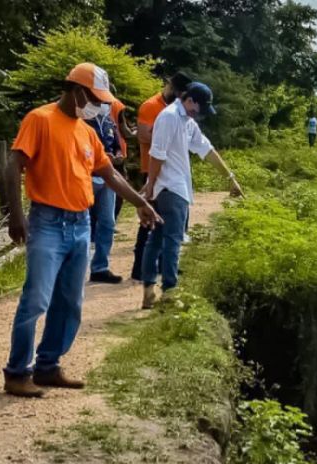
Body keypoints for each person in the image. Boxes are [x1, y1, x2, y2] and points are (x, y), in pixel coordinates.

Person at [2, 63, 161, 398]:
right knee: (37, 300)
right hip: (47, 222)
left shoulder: (86, 131)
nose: (99, 105)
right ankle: (17, 372)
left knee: (70, 301)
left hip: (79, 224)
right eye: (94, 98)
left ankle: (48, 366)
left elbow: (109, 174)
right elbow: (12, 166)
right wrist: (15, 216)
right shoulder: (40, 119)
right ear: (76, 91)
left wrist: (139, 203)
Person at [141, 81, 242, 309]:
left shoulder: (186, 121)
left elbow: (207, 150)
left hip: (170, 188)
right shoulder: (168, 117)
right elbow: (156, 155)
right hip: (169, 189)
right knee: (171, 241)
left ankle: (149, 293)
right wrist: (150, 189)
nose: (199, 114)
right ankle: (169, 293)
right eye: (198, 108)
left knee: (157, 240)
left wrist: (230, 177)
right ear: (189, 100)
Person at [131, 72, 192, 281]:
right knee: (149, 223)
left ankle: (165, 265)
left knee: (167, 224)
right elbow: (142, 134)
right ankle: (139, 268)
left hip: (170, 171)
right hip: (152, 168)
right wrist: (167, 135)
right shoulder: (152, 106)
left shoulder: (177, 111)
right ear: (172, 87)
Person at [85, 102, 124, 284]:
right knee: (80, 223)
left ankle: (100, 267)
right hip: (87, 177)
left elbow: (116, 145)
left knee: (107, 222)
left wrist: (116, 154)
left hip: (107, 177)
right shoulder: (83, 121)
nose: (105, 105)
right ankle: (74, 268)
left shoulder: (109, 122)